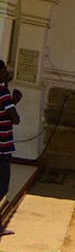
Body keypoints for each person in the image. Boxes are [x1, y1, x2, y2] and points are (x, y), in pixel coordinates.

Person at [0, 58, 21, 202]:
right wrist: (13, 102)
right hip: (3, 148)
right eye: (4, 71)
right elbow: (15, 119)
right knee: (2, 187)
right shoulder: (3, 93)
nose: (6, 73)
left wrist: (12, 103)